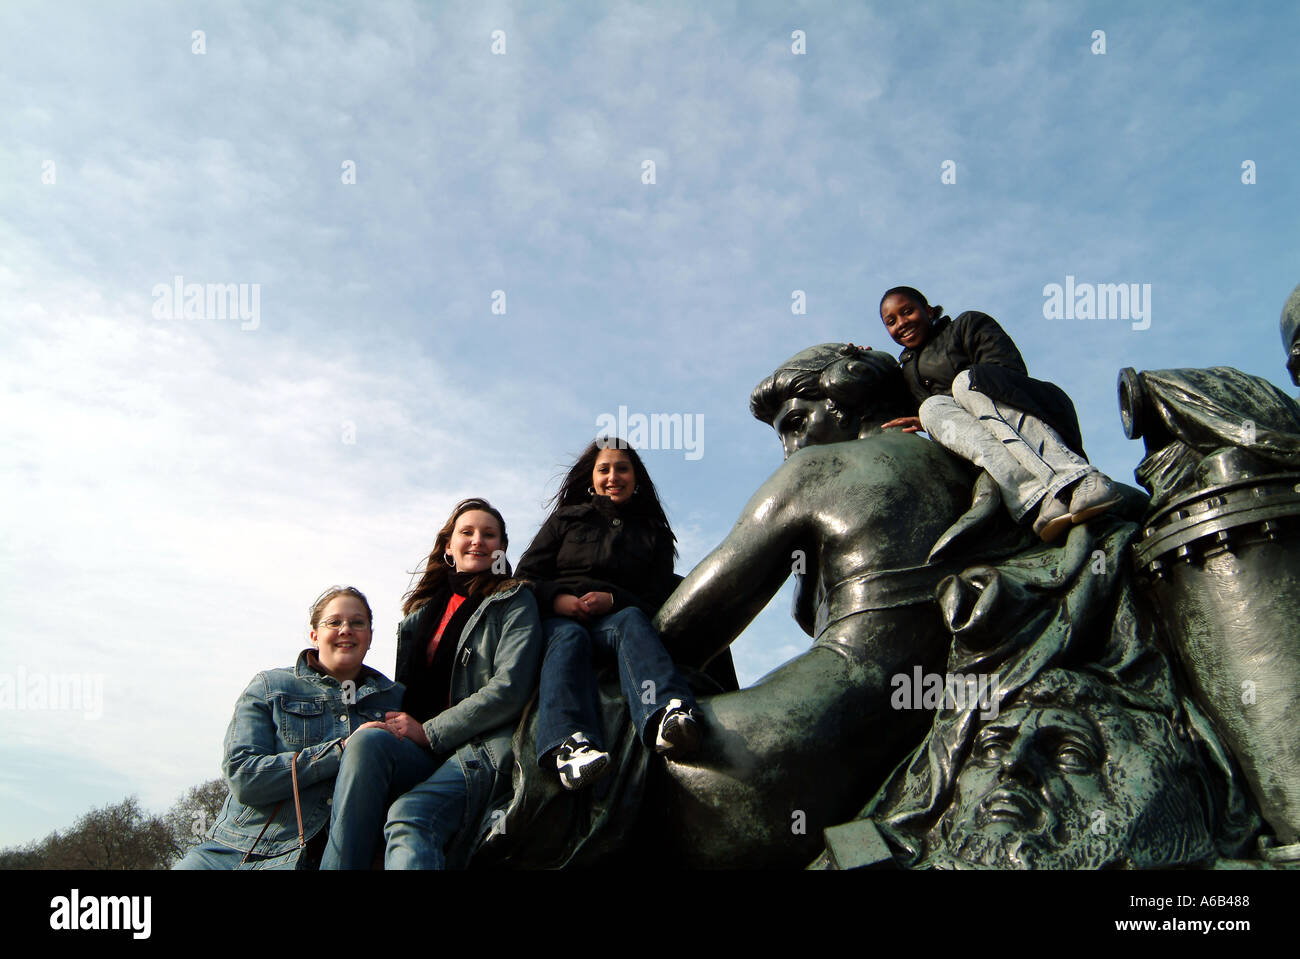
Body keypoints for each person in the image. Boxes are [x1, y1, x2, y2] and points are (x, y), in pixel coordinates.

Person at [319, 498, 541, 869]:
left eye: (489, 535)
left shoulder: (514, 601)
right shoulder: (419, 612)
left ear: (501, 548)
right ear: (448, 546)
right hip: (422, 749)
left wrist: (430, 731)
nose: (478, 541)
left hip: (480, 748)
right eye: (466, 532)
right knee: (367, 742)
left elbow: (509, 689)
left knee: (410, 815)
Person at [175, 586, 403, 869]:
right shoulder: (270, 688)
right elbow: (243, 775)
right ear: (314, 635)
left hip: (320, 859)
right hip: (234, 851)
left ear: (370, 637)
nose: (346, 629)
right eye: (334, 622)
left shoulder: (397, 700)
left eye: (358, 623)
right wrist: (340, 752)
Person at [516, 439, 699, 791]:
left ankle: (666, 713)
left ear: (636, 478)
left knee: (631, 619)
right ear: (592, 478)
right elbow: (525, 576)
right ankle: (569, 747)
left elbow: (660, 598)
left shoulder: (654, 534)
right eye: (605, 469)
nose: (613, 476)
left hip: (616, 622)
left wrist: (614, 600)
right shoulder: (565, 521)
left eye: (622, 468)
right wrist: (558, 600)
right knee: (569, 637)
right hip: (562, 620)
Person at [878, 286, 1121, 541]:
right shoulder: (905, 374)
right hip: (985, 451)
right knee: (930, 410)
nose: (902, 323)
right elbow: (881, 406)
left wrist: (963, 401)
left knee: (966, 383)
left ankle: (1079, 479)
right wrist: (857, 357)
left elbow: (1006, 370)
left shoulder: (967, 324)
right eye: (891, 321)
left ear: (927, 310)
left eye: (907, 312)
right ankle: (1037, 498)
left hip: (1023, 409)